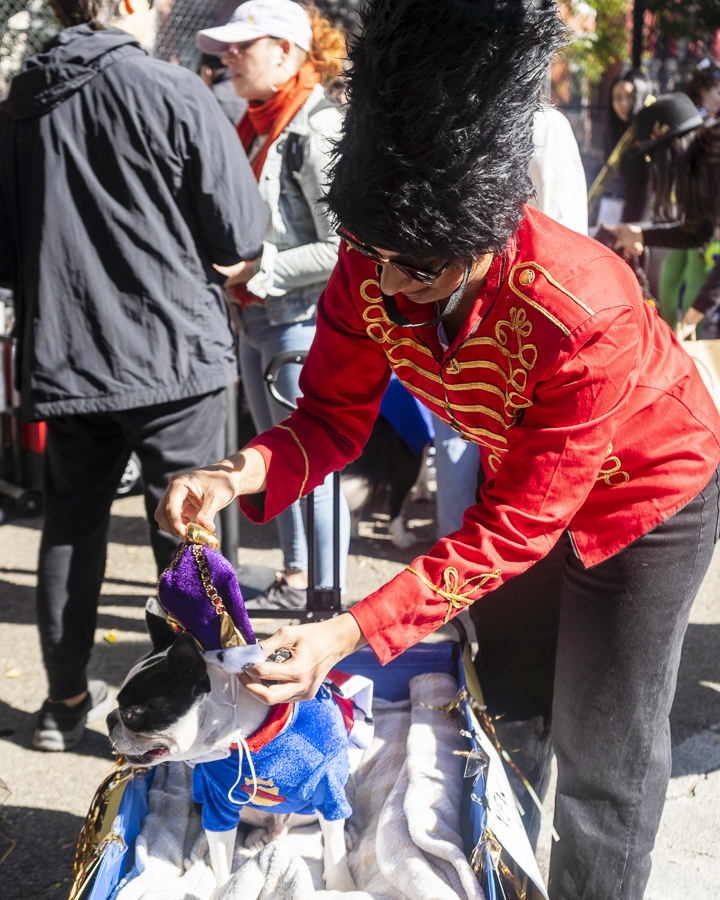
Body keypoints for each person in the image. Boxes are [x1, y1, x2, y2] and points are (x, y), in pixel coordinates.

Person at [156, 2, 720, 897]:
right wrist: (237, 473)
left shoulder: (583, 307)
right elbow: (330, 418)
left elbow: (517, 527)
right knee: (512, 705)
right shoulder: (375, 256)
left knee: (606, 757)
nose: (384, 287)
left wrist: (346, 633)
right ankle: (505, 868)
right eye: (371, 256)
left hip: (645, 500)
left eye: (415, 269)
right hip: (521, 482)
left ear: (484, 236)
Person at [0, 0, 268, 752]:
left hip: (67, 357)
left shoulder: (22, 107)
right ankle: (206, 719)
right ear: (125, 4)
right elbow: (241, 232)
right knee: (192, 536)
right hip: (174, 356)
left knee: (70, 527)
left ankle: (61, 703)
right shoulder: (172, 89)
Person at [196, 0, 351, 610]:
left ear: (286, 51)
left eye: (243, 45)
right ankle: (296, 580)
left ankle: (324, 599)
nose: (229, 57)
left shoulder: (317, 129)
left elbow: (345, 248)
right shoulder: (260, 123)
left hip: (300, 321)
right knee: (275, 457)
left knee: (311, 465)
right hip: (260, 317)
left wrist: (259, 270)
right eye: (227, 47)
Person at [607, 92, 720, 337]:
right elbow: (699, 232)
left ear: (673, 148)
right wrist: (640, 235)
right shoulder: (704, 166)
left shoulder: (714, 164)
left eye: (654, 157)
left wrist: (693, 314)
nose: (653, 165)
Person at [595, 67, 653, 226]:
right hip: (614, 216)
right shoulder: (613, 132)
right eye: (617, 97)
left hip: (644, 220)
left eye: (630, 96)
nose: (623, 103)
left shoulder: (654, 132)